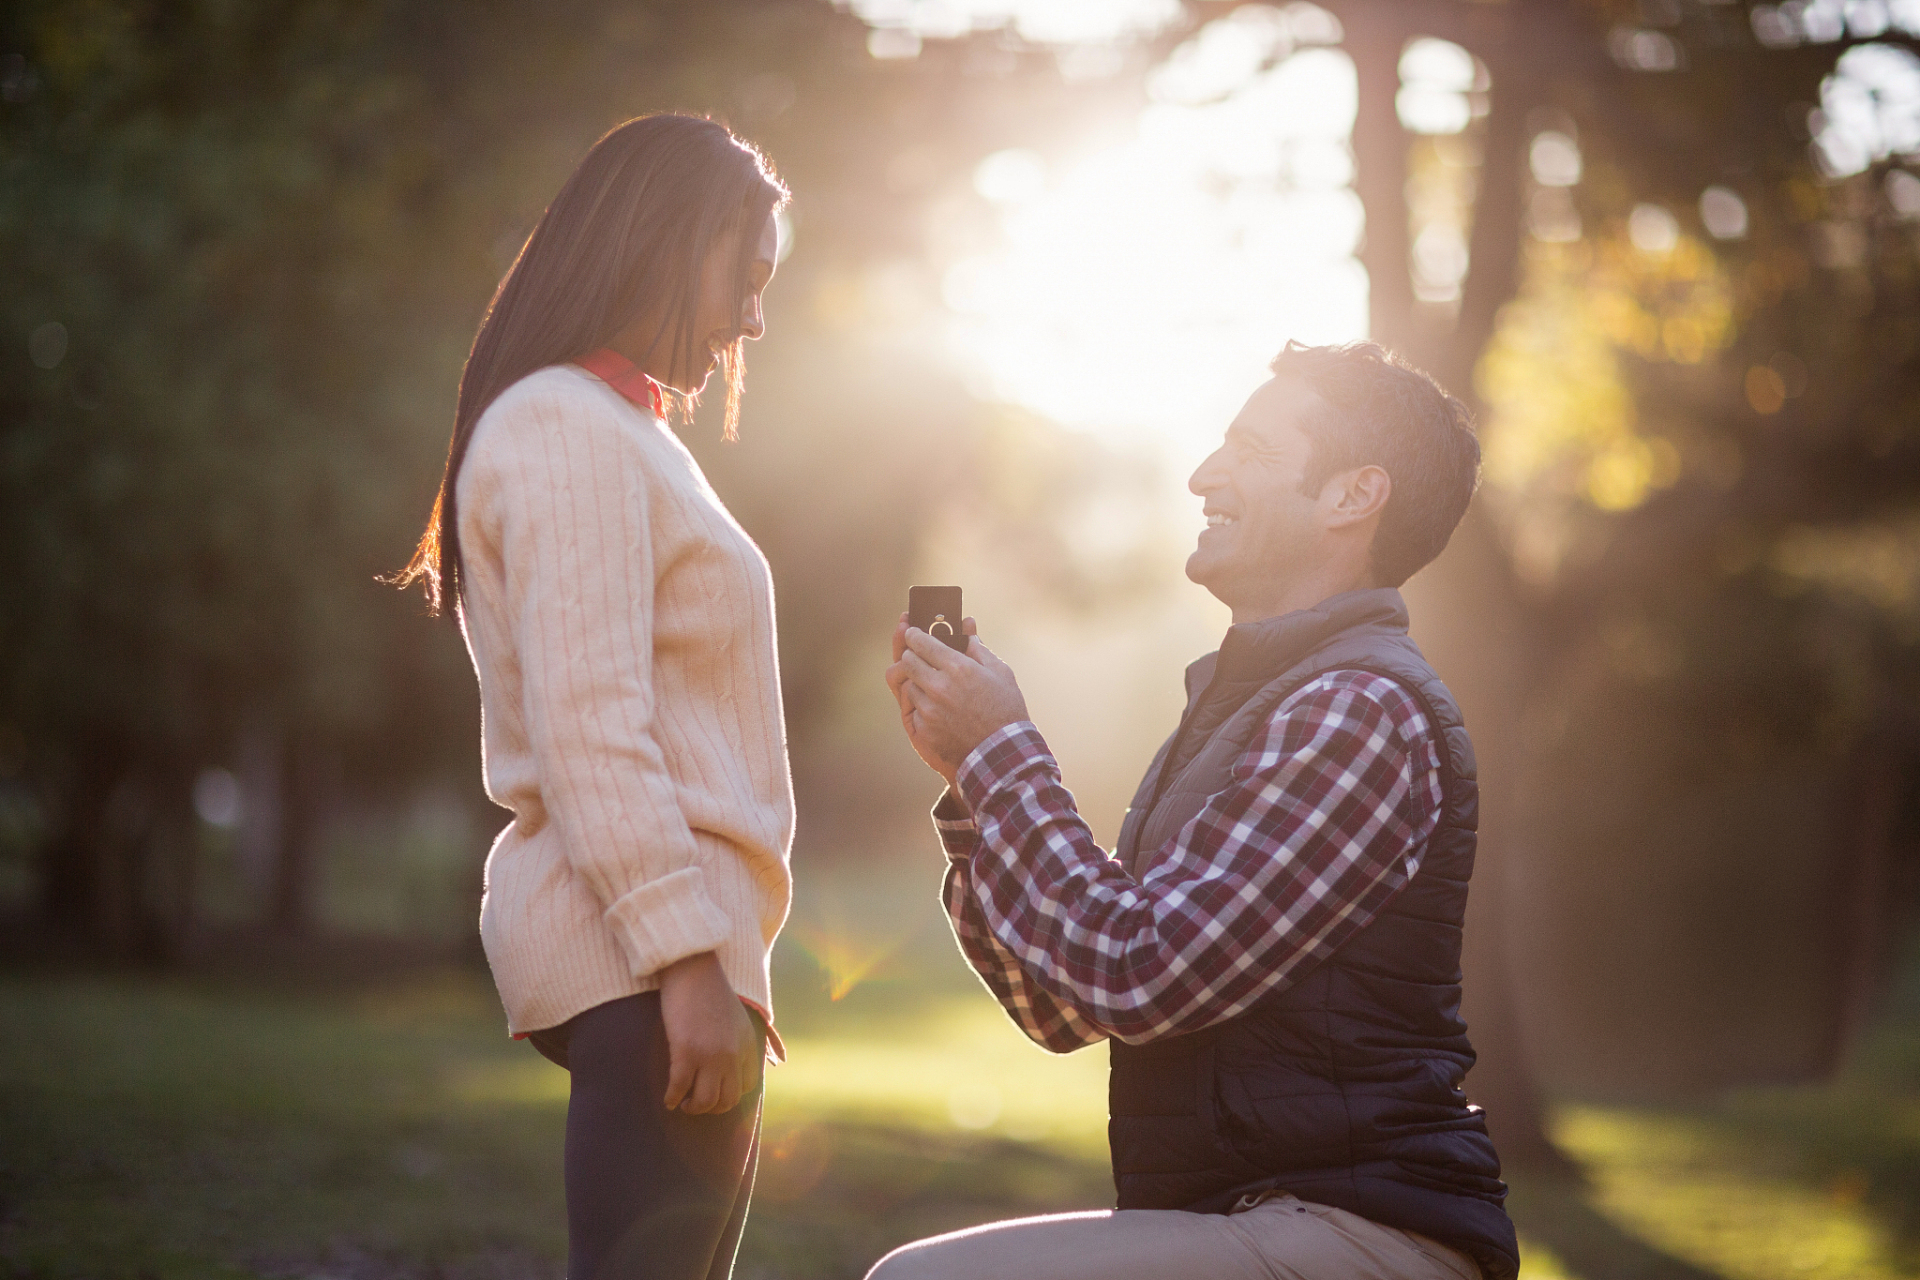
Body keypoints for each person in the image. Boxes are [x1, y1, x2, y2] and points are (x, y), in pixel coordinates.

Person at [880, 341, 1521, 1280]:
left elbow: (1139, 976)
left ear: (1353, 495)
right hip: (1247, 1216)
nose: (1202, 475)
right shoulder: (1256, 710)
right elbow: (1058, 1007)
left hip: (1360, 1230)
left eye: (1251, 450)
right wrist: (975, 791)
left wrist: (1001, 756)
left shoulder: (1358, 713)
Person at [392, 114, 793, 1280]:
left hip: (680, 951)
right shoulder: (565, 425)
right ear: (669, 241)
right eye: (746, 276)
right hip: (649, 958)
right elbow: (590, 724)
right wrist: (685, 959)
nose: (754, 320)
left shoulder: (624, 429)